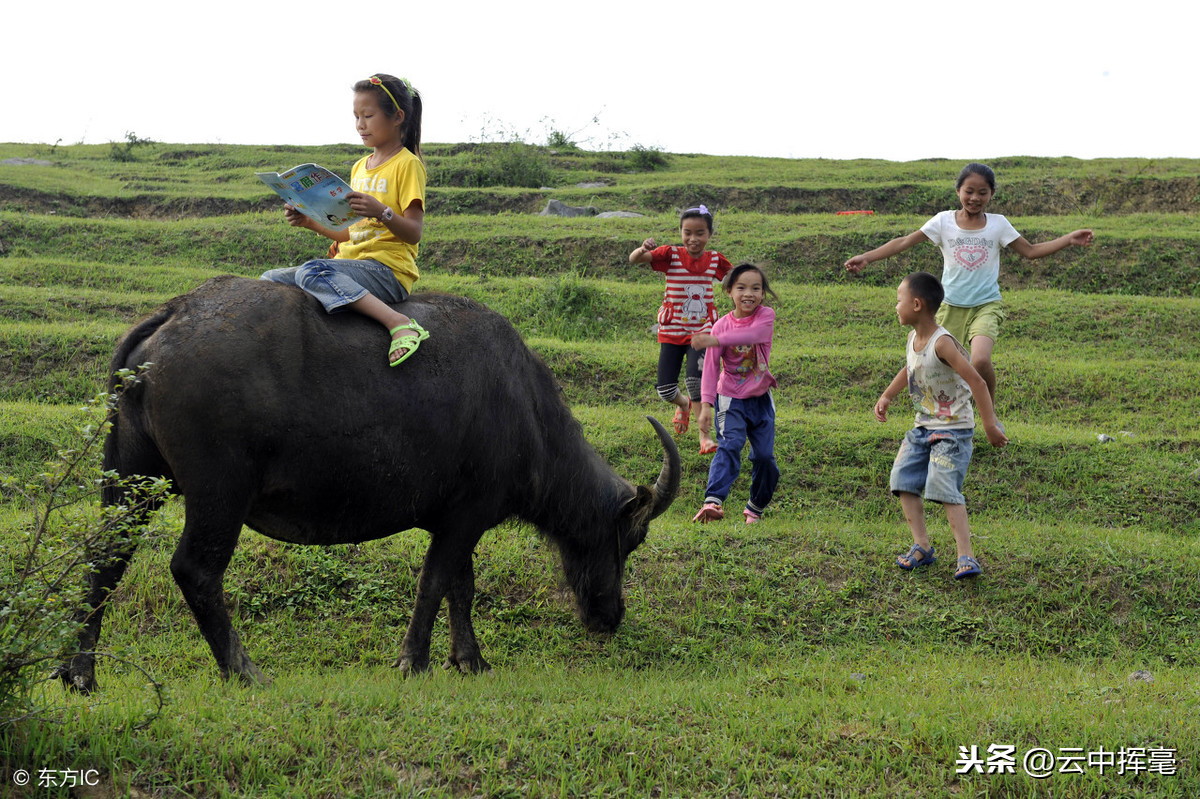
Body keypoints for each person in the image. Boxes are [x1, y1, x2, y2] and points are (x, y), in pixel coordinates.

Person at [844, 162, 1093, 401]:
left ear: (991, 194)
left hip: (986, 305)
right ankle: (933, 408)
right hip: (949, 307)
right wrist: (867, 257)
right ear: (958, 191)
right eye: (969, 191)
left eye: (982, 192)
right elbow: (904, 242)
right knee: (930, 360)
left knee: (981, 360)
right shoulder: (943, 221)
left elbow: (1031, 250)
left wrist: (1068, 239)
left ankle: (990, 413)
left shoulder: (998, 224)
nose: (975, 198)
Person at [261, 74, 429, 366]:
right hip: (350, 263)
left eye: (368, 116)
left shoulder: (407, 164)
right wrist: (308, 221)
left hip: (387, 270)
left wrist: (382, 212)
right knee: (269, 280)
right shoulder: (360, 167)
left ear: (397, 117)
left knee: (312, 272)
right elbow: (350, 234)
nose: (360, 125)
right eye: (356, 117)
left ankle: (399, 323)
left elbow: (414, 233)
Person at [875, 272, 1008, 579]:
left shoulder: (943, 343)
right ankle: (921, 546)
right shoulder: (913, 338)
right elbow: (909, 368)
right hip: (922, 426)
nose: (896, 306)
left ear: (917, 304)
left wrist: (988, 424)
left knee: (944, 488)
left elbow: (976, 380)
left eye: (899, 300)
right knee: (902, 480)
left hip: (954, 430)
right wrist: (887, 395)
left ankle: (966, 555)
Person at [629, 205, 732, 454]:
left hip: (702, 331)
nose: (693, 239)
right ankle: (683, 404)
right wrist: (643, 249)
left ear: (709, 234)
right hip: (671, 331)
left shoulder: (715, 260)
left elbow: (734, 276)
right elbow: (635, 260)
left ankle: (704, 436)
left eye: (700, 233)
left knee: (696, 383)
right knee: (665, 390)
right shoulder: (670, 255)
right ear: (680, 232)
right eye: (687, 232)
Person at [690, 264, 780, 524]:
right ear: (729, 291)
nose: (748, 294)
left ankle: (755, 506)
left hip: (761, 399)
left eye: (756, 288)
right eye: (741, 287)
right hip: (729, 399)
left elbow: (756, 334)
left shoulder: (766, 316)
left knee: (764, 457)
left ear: (763, 294)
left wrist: (716, 341)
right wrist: (706, 405)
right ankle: (713, 502)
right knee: (729, 445)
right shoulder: (720, 326)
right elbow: (709, 370)